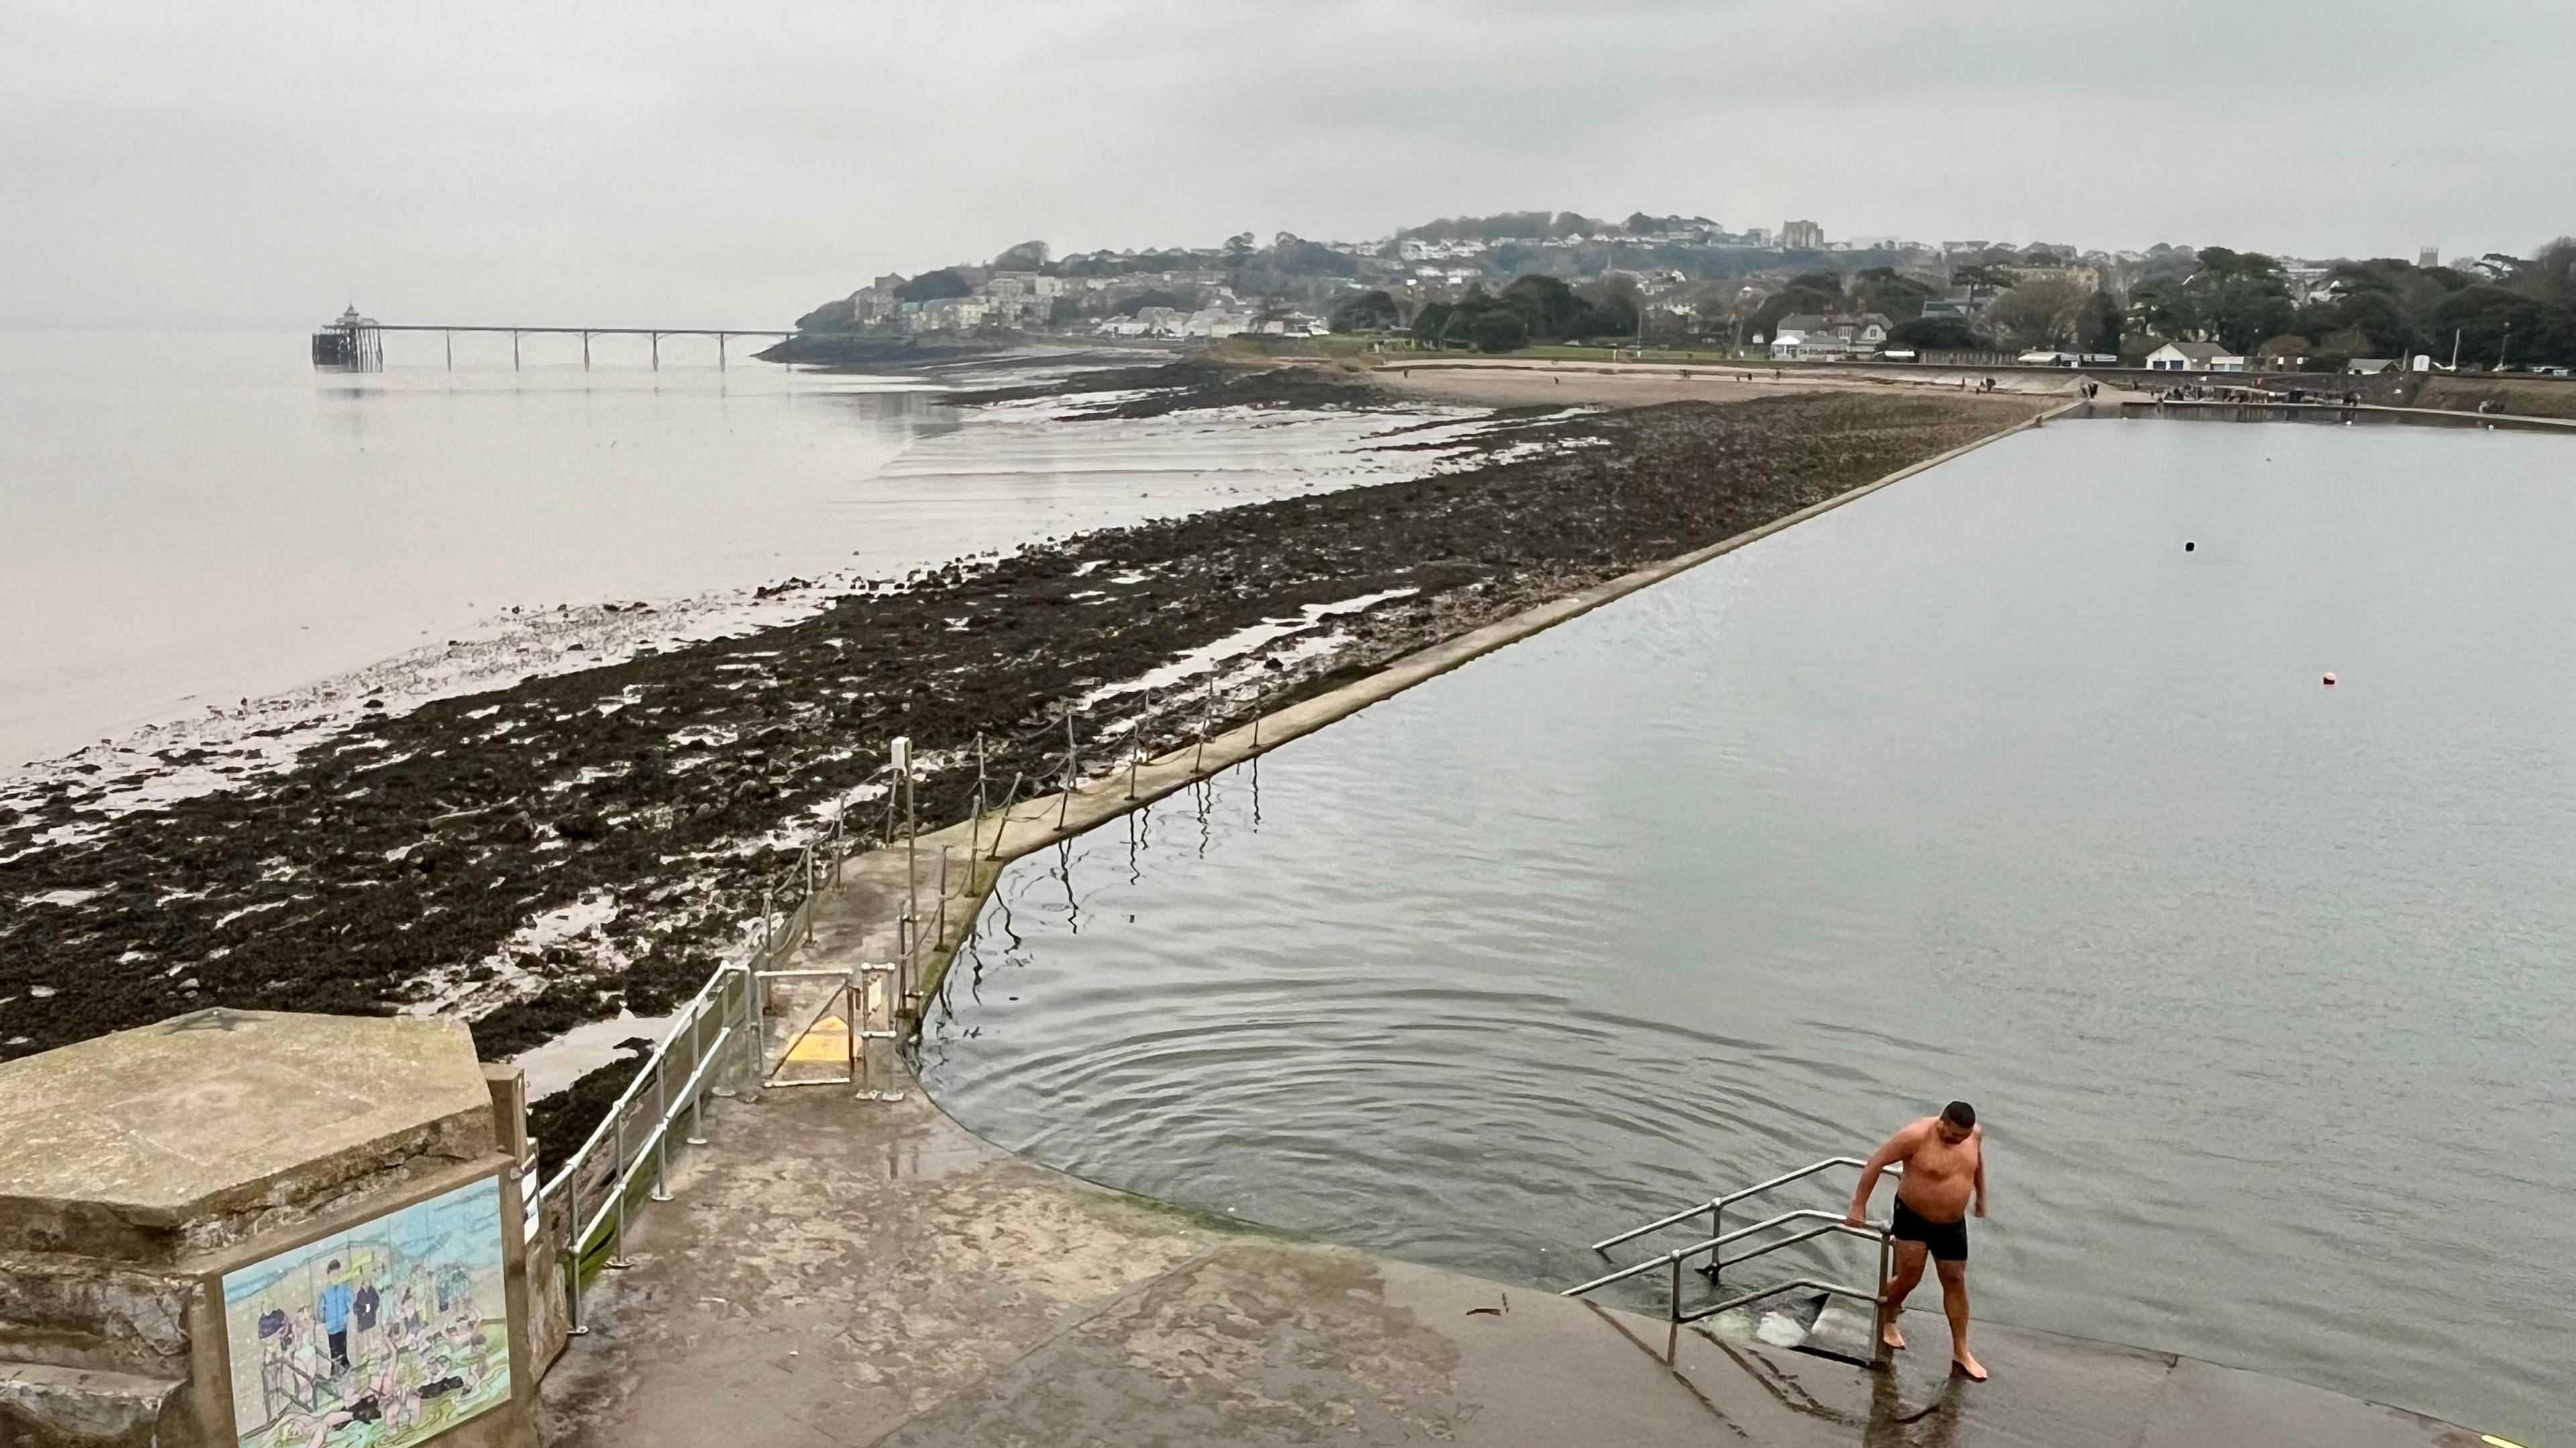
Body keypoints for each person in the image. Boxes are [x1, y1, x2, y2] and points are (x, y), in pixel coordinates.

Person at [1845, 1101, 1988, 1380]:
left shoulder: (1974, 1135)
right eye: (1955, 1136)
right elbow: (1876, 1163)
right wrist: (1858, 1206)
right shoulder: (1916, 1136)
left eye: (1965, 1137)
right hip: (1914, 1217)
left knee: (1956, 1280)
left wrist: (1981, 1196)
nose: (1960, 1141)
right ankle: (1888, 1318)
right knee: (1910, 1277)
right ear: (1942, 1123)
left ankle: (1962, 1350)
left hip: (1952, 1223)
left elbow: (1976, 1164)